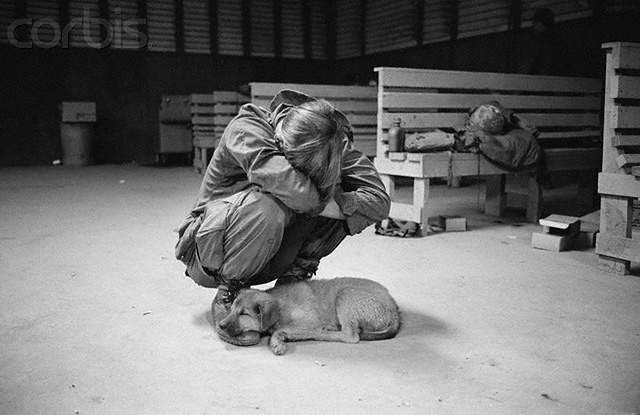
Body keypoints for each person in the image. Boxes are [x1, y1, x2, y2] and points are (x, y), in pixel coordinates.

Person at [174, 89, 391, 345]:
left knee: (345, 202)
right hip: (214, 255)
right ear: (281, 139)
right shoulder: (248, 127)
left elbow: (379, 203)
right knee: (271, 204)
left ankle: (292, 281)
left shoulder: (332, 142)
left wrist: (336, 195)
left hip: (274, 252)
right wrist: (323, 191)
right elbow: (295, 191)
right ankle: (229, 294)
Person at [525, 7, 570, 76]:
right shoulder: (561, 41)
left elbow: (529, 65)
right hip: (561, 82)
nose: (533, 25)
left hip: (541, 82)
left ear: (541, 24)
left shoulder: (536, 41)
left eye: (535, 22)